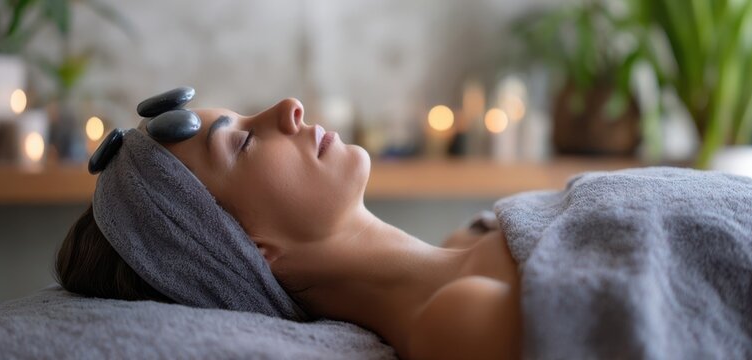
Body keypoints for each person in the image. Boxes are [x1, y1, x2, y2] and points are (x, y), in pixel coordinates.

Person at [56, 95, 522, 360]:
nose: (288, 107)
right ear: (246, 247)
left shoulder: (475, 237)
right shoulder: (460, 320)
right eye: (243, 143)